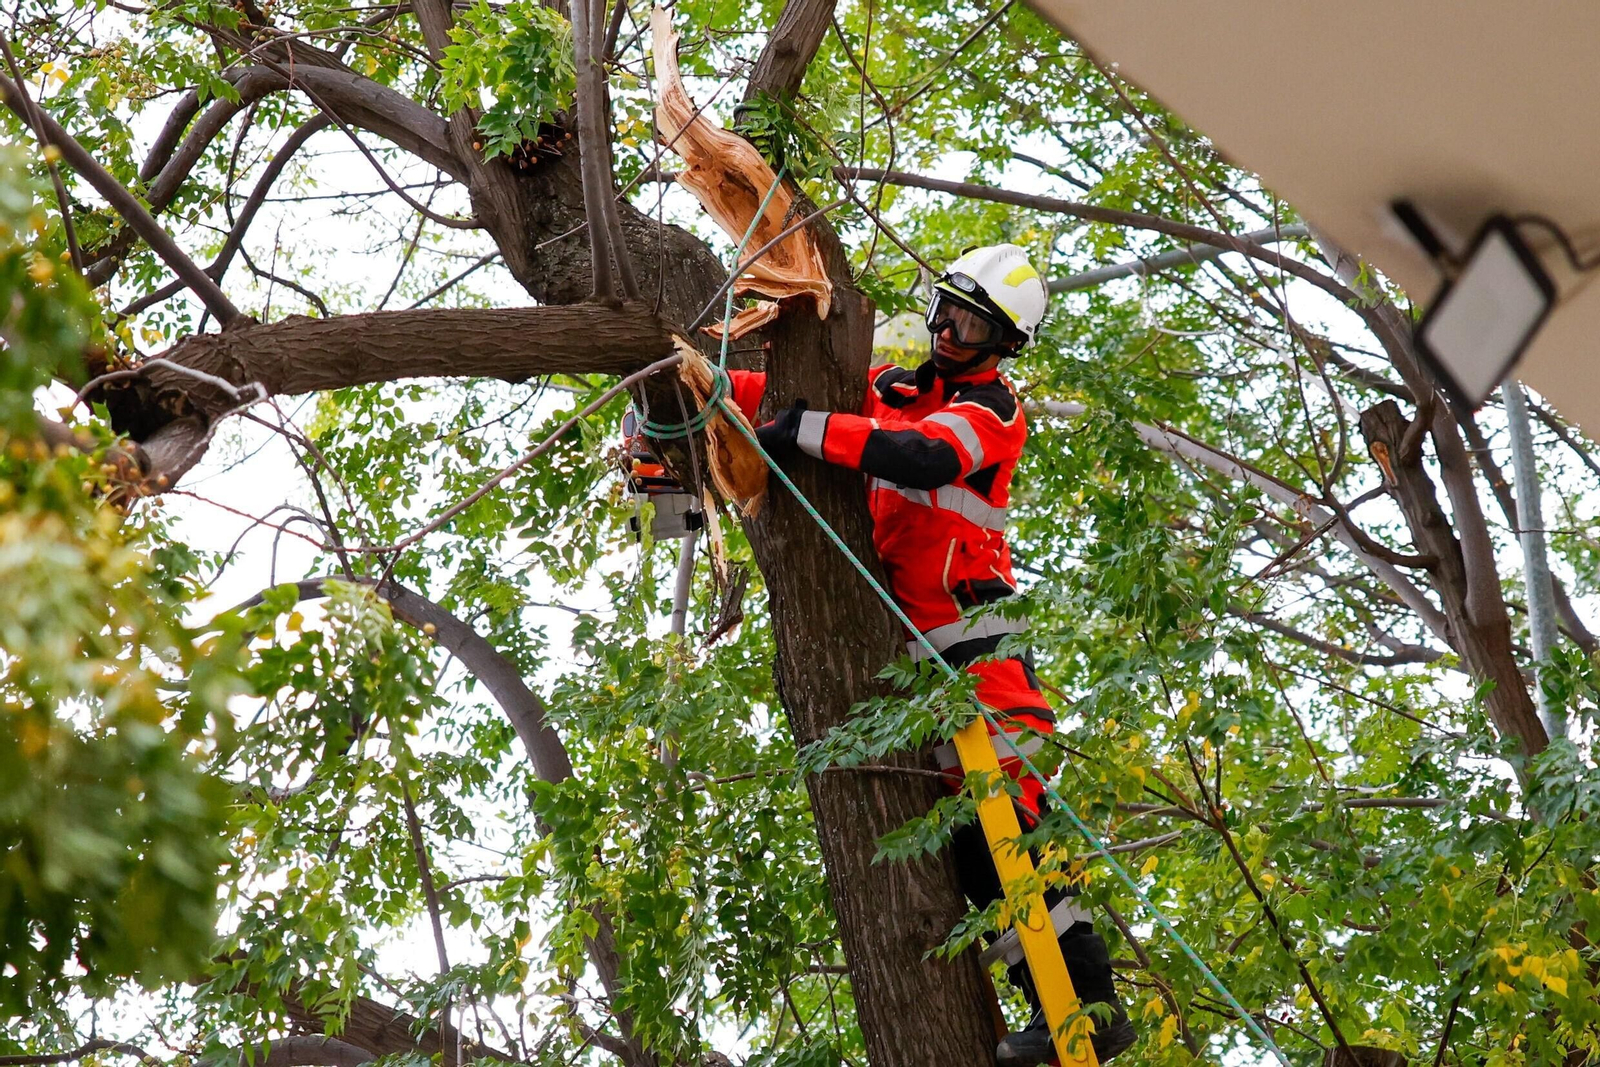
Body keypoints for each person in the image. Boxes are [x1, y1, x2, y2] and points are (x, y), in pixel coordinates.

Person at [731, 244, 1137, 1064]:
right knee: (974, 849)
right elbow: (767, 395)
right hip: (923, 668)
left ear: (1002, 342)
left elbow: (921, 457)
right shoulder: (895, 391)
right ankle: (1062, 1009)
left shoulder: (992, 410)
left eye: (972, 320)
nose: (950, 327)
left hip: (981, 666)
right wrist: (697, 383)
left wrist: (801, 430)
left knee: (1007, 837)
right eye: (948, 307)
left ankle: (1090, 1011)